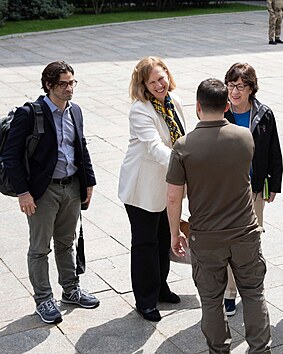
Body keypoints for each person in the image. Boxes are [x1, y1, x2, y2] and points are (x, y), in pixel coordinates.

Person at [167, 78, 271, 353]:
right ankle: (261, 349)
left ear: (197, 106)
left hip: (206, 236)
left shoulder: (183, 146)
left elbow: (174, 196)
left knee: (212, 300)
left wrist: (175, 232)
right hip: (245, 232)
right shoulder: (244, 137)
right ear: (226, 106)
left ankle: (219, 349)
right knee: (253, 293)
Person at [3, 61, 99, 324]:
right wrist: (23, 192)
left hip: (72, 186)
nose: (70, 89)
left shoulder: (75, 111)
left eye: (72, 83)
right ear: (48, 85)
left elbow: (81, 147)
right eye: (63, 84)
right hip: (41, 192)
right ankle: (43, 299)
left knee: (67, 243)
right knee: (39, 248)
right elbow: (10, 157)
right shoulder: (29, 114)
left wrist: (88, 182)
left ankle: (70, 290)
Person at [118, 56, 185, 322]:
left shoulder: (174, 101)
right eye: (153, 81)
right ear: (143, 85)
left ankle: (160, 287)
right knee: (145, 244)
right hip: (141, 188)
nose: (160, 84)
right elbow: (155, 147)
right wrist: (184, 166)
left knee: (162, 240)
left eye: (162, 77)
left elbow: (182, 136)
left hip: (166, 186)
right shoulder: (140, 110)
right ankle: (145, 299)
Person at [222, 62, 283, 316]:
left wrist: (274, 184)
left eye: (240, 86)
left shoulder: (263, 114)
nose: (235, 91)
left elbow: (273, 152)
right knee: (227, 242)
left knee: (251, 241)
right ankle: (228, 292)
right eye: (231, 85)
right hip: (225, 191)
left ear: (251, 88)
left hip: (254, 189)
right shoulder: (220, 112)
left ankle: (250, 288)